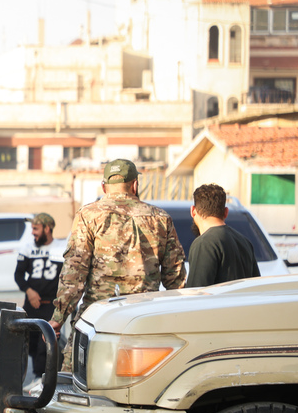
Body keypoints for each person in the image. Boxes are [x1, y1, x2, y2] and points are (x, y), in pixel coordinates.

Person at [49, 158, 187, 369]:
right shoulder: (160, 218)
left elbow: (74, 272)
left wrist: (58, 317)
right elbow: (175, 279)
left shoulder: (89, 215)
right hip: (143, 321)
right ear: (135, 185)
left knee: (76, 380)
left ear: (104, 187)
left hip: (97, 319)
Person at [14, 213, 63, 380]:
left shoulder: (60, 248)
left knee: (46, 343)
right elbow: (19, 275)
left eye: (36, 228)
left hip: (51, 304)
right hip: (32, 303)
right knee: (31, 343)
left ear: (47, 229)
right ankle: (35, 376)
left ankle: (40, 378)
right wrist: (29, 291)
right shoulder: (28, 248)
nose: (33, 232)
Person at [186, 183, 259, 287]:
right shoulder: (245, 242)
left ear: (193, 211)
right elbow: (256, 287)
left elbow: (196, 292)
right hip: (243, 303)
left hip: (218, 303)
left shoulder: (204, 244)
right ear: (225, 212)